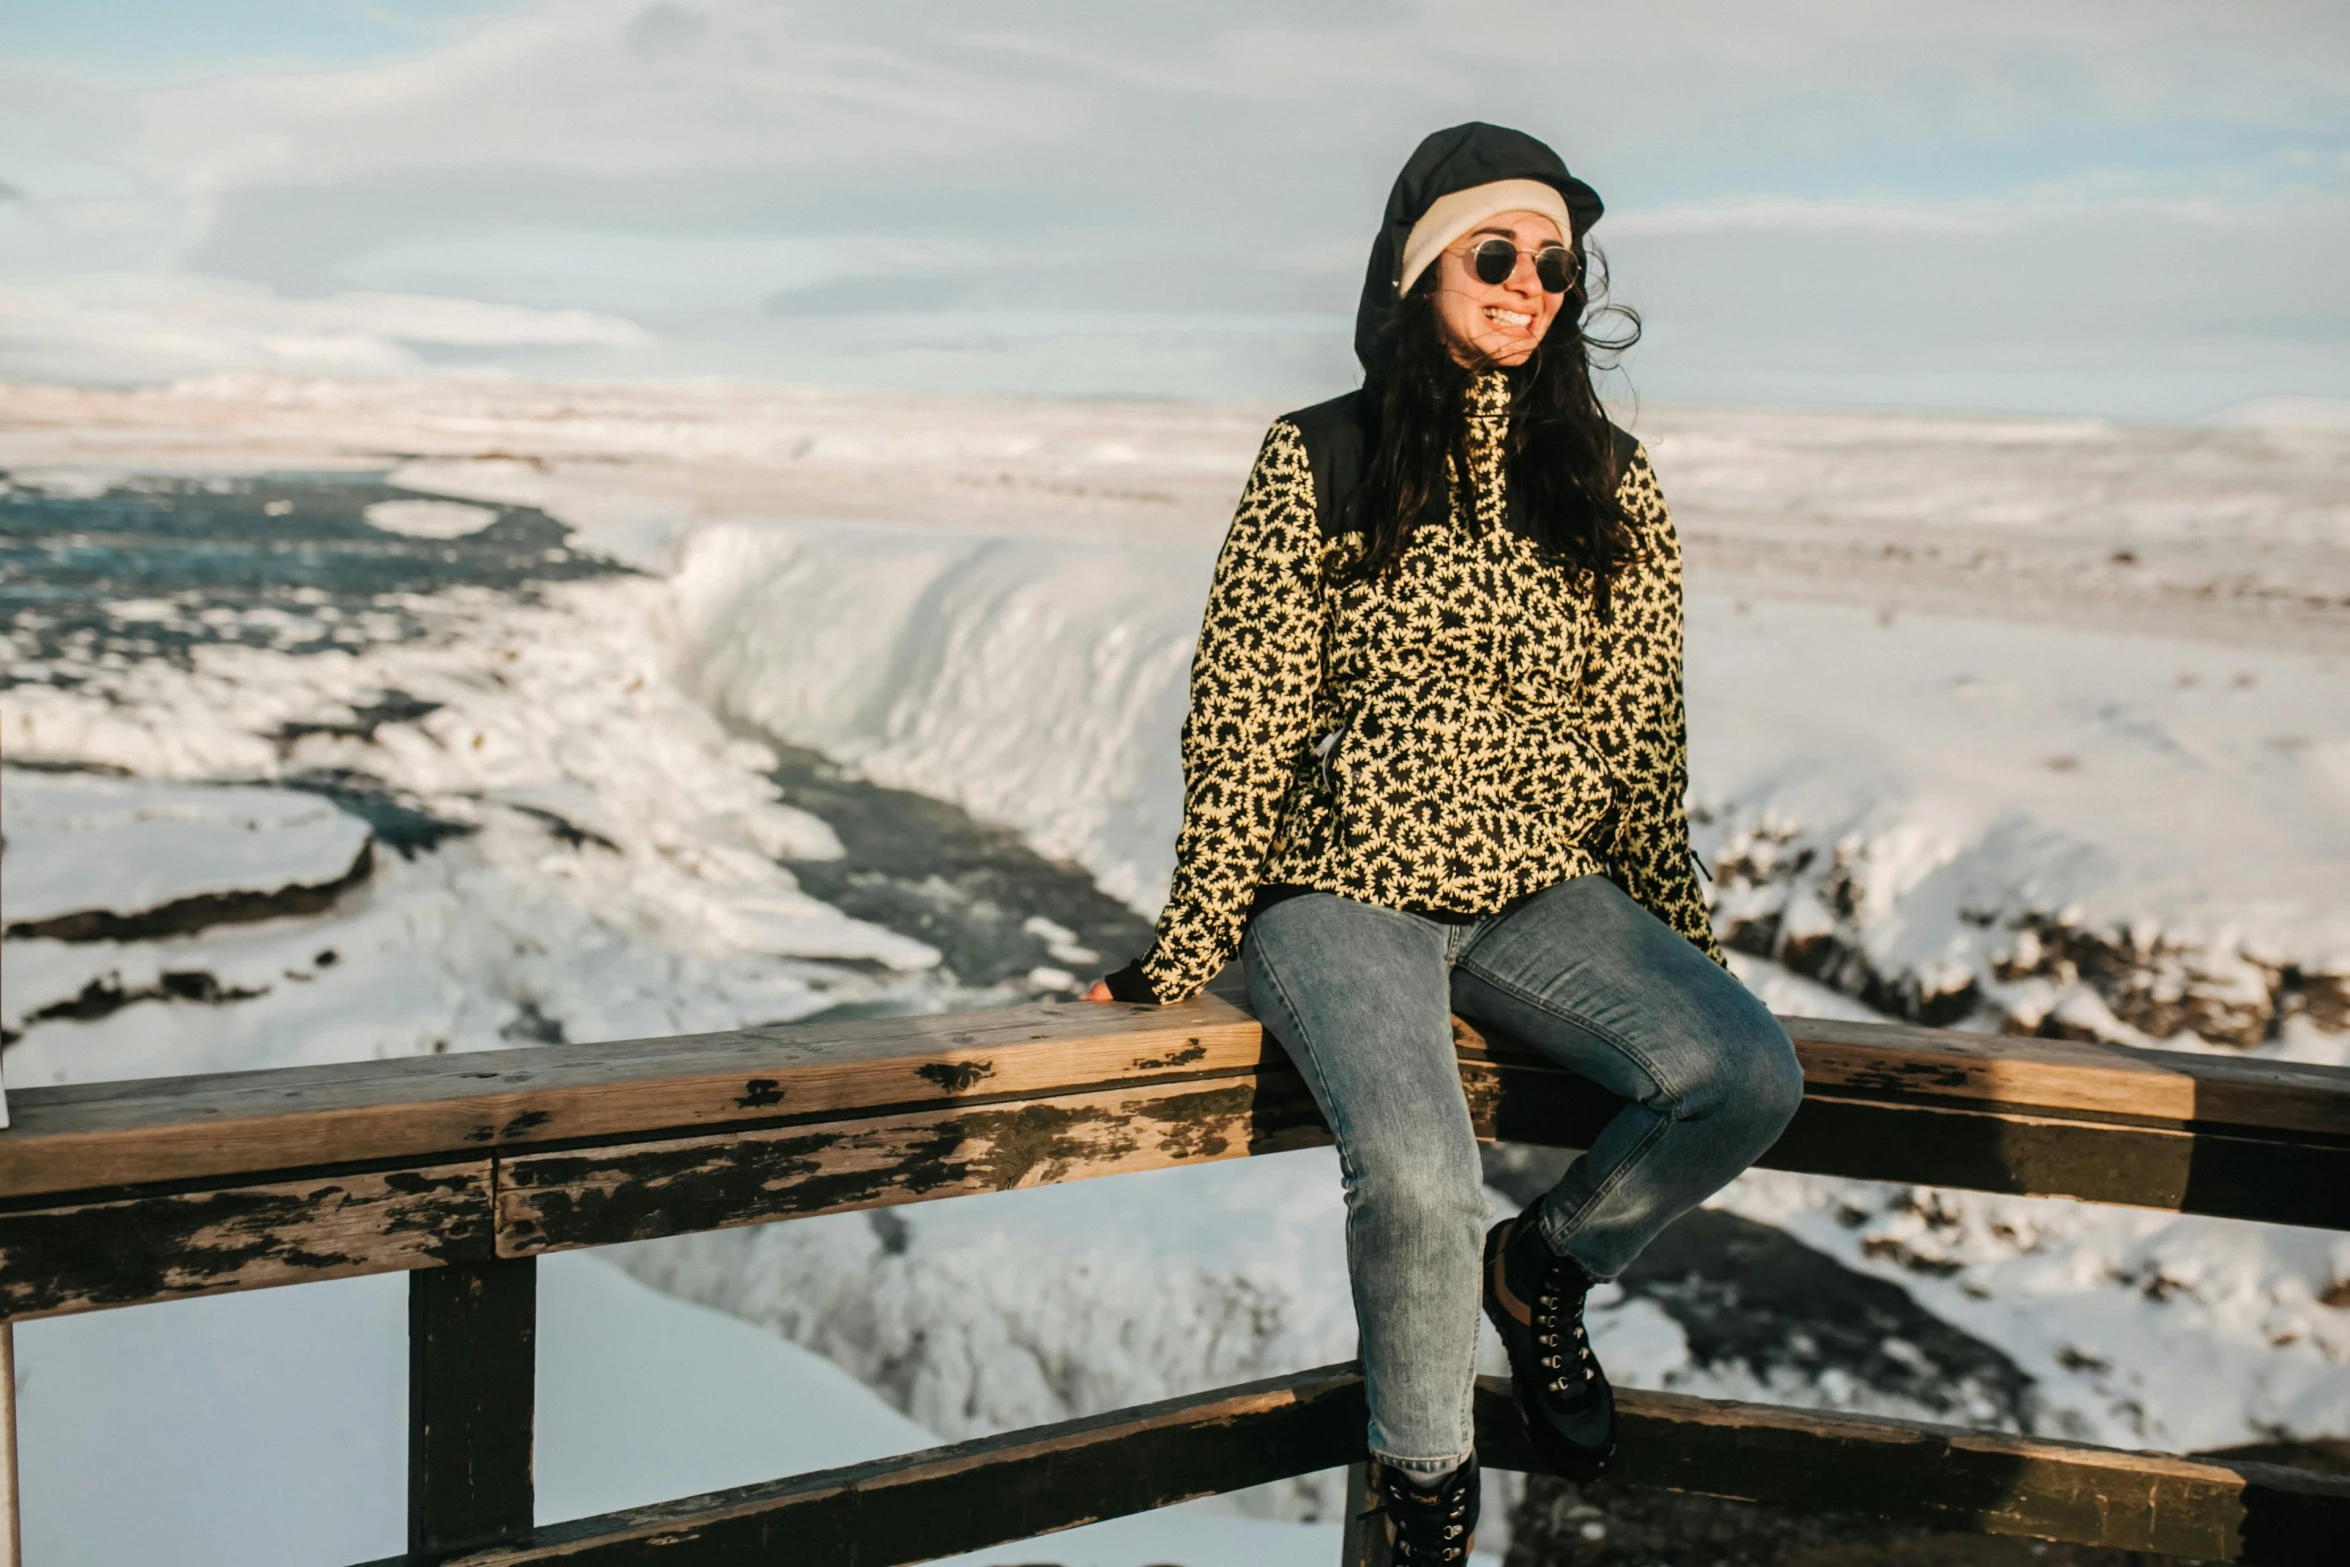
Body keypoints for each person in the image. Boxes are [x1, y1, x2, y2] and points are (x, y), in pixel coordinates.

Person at [1081, 122, 1802, 1564]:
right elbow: (1243, 719)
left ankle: (1541, 1267)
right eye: (1496, 253)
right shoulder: (1321, 457)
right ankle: (1424, 1499)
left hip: (1544, 887)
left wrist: (1679, 948)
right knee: (1415, 1171)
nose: (1530, 282)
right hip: (1339, 890)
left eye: (1554, 261)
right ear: (1421, 269)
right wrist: (1186, 942)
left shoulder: (1606, 476)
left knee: (1741, 1074)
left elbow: (1640, 742)